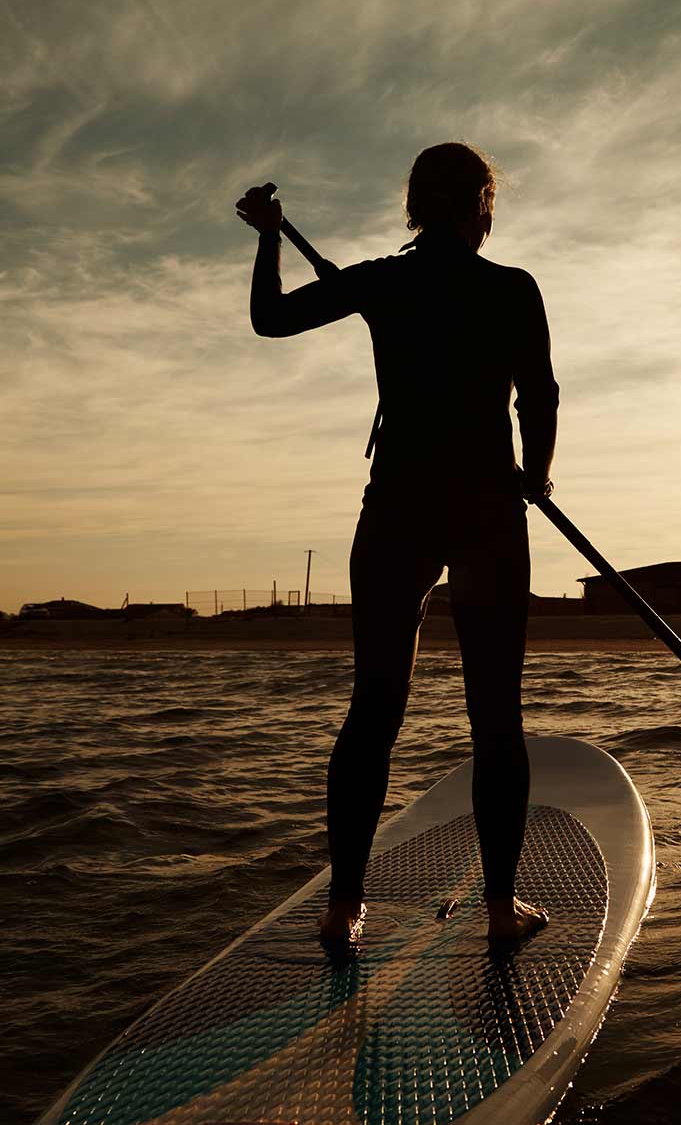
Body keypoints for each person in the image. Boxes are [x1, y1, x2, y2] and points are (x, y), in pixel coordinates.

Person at [235, 142, 558, 953]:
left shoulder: (384, 280)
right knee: (496, 719)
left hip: (399, 510)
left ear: (416, 205)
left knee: (373, 710)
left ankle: (344, 908)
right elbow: (539, 394)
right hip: (486, 508)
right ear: (482, 204)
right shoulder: (511, 289)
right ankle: (497, 909)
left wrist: (270, 236)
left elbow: (271, 318)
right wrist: (537, 475)